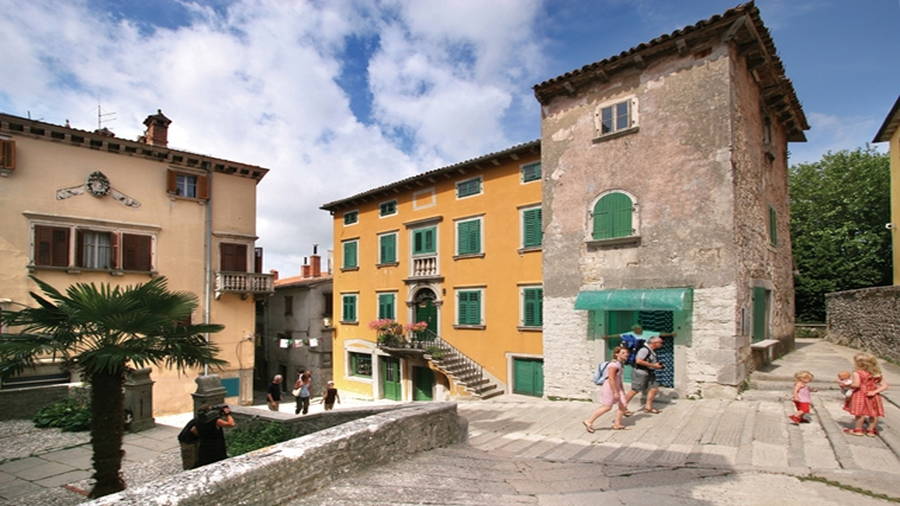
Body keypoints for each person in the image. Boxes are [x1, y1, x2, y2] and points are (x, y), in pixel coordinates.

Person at [583, 346, 630, 433]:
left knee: (623, 404)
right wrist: (615, 392)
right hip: (610, 388)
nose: (626, 354)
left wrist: (622, 390)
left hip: (617, 387)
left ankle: (617, 424)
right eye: (623, 353)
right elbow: (611, 379)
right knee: (607, 407)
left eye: (626, 353)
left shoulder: (620, 364)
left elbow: (618, 378)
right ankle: (589, 421)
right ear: (617, 354)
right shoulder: (613, 365)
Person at [844, 353, 888, 436]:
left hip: (860, 394)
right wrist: (874, 391)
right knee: (873, 413)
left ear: (859, 364)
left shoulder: (857, 373)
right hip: (873, 395)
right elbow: (885, 385)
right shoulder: (876, 373)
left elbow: (856, 385)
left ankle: (858, 430)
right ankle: (870, 431)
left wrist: (847, 384)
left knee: (860, 413)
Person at [624, 335, 666, 414]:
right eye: (661, 342)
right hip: (641, 372)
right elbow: (638, 361)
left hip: (650, 372)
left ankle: (648, 407)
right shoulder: (644, 350)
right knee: (634, 390)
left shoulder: (651, 350)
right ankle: (623, 407)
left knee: (654, 388)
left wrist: (657, 365)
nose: (662, 344)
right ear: (654, 343)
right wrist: (654, 365)